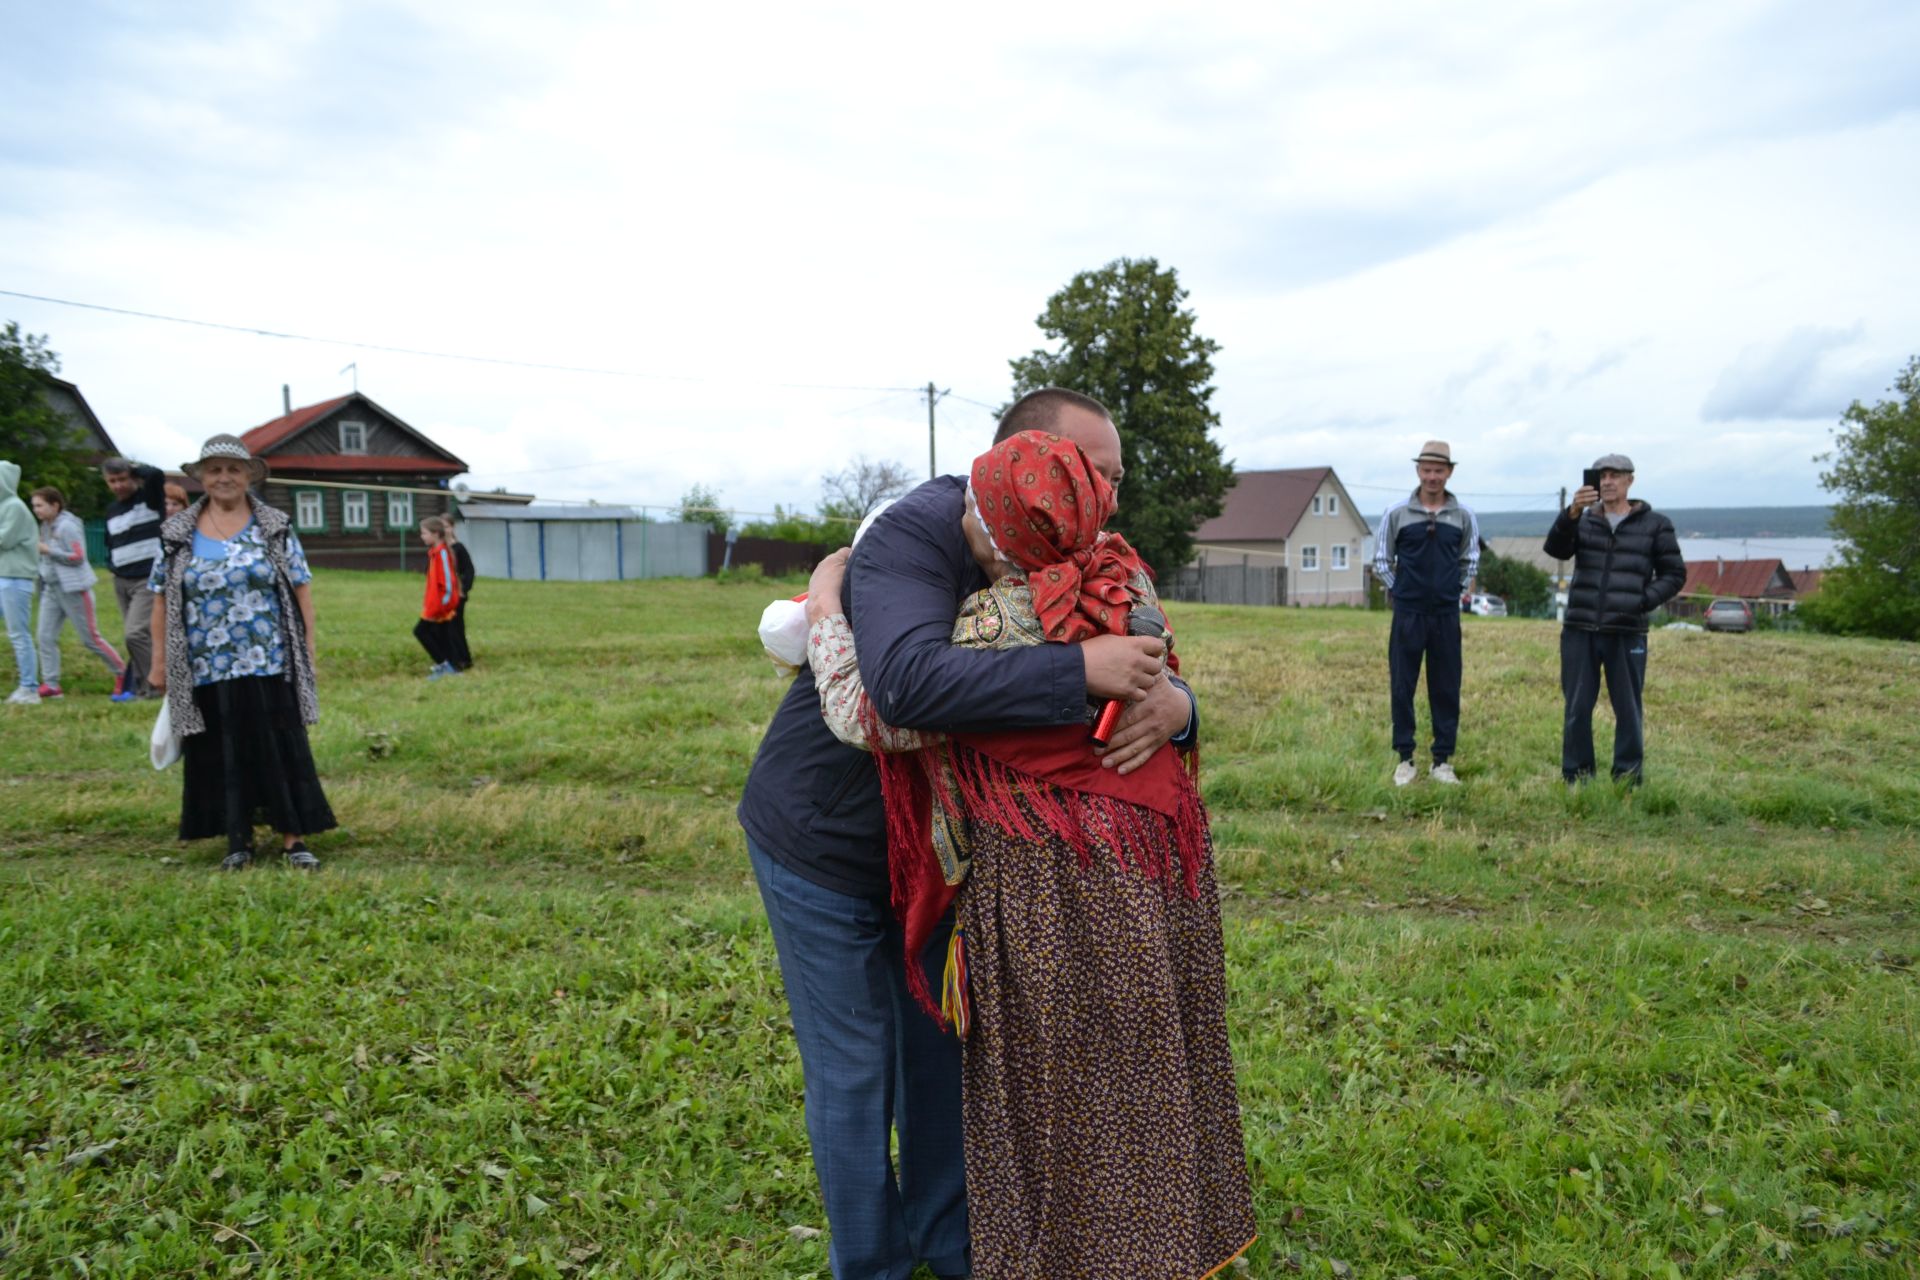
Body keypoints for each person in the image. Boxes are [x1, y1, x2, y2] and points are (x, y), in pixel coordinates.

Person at [737, 388, 1185, 1280]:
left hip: (947, 858)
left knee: (940, 1058)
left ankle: (953, 1246)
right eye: (1097, 471)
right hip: (826, 845)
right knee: (859, 1071)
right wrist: (1077, 670)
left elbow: (1152, 646)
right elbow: (896, 694)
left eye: (1115, 480)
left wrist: (1175, 703)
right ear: (1024, 458)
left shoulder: (1086, 547)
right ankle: (872, 1265)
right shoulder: (918, 530)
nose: (1109, 499)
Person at [148, 435, 335, 870]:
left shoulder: (274, 526)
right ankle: (238, 839)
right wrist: (158, 662)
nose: (225, 478)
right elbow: (159, 599)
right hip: (204, 664)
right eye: (214, 470)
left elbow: (301, 589)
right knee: (221, 749)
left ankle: (294, 838)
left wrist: (307, 649)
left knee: (281, 744)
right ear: (202, 479)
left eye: (234, 469)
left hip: (269, 659)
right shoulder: (177, 534)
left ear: (249, 475)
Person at [1542, 453, 1685, 784]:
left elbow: (1675, 574)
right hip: (1580, 628)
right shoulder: (1584, 519)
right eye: (1602, 476)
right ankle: (1577, 777)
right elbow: (1556, 550)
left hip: (1627, 630)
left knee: (1628, 709)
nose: (1607, 481)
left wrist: (1641, 601)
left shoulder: (1655, 524)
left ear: (1630, 481)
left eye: (1615, 475)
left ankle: (1627, 778)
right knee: (1577, 708)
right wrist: (1571, 513)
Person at [1373, 440, 1479, 786]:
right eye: (1427, 469)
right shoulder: (1396, 513)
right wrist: (1401, 590)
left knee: (1446, 686)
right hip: (1408, 613)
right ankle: (1405, 759)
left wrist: (1454, 592)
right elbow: (1381, 560)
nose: (1433, 476)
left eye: (1439, 470)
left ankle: (1442, 761)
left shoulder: (1463, 516)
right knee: (1403, 685)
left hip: (1446, 615)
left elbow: (1470, 560)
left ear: (1449, 472)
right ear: (1418, 471)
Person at [30, 485, 127, 699]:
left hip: (75, 589)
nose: (36, 510)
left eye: (40, 505)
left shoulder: (68, 526)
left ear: (54, 505)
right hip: (52, 589)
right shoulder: (45, 526)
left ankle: (123, 674)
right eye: (34, 506)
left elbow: (78, 556)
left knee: (90, 639)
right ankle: (51, 684)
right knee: (44, 637)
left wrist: (49, 551)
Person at [102, 457, 168, 699]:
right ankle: (142, 686)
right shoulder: (112, 510)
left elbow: (156, 474)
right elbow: (110, 542)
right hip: (122, 579)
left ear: (132, 478)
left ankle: (158, 685)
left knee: (135, 633)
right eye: (112, 481)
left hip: (147, 578)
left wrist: (134, 468)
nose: (118, 485)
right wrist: (112, 566)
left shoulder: (149, 500)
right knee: (138, 637)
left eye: (122, 479)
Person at [1, 460, 41, 705]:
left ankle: (29, 688)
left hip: (16, 579)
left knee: (19, 634)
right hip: (5, 578)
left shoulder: (13, 506)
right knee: (16, 633)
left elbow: (4, 540)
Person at [413, 516, 464, 680]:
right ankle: (453, 668)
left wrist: (442, 605)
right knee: (442, 636)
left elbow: (449, 584)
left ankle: (444, 665)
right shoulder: (435, 553)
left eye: (424, 533)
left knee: (420, 631)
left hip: (439, 607)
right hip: (435, 605)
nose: (422, 536)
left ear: (436, 534)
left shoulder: (442, 554)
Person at [443, 518, 475, 671]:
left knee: (456, 627)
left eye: (446, 526)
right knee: (446, 628)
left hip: (457, 595)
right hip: (444, 595)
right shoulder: (440, 549)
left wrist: (463, 588)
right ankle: (454, 659)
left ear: (452, 527)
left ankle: (462, 659)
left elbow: (469, 570)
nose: (444, 530)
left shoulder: (459, 548)